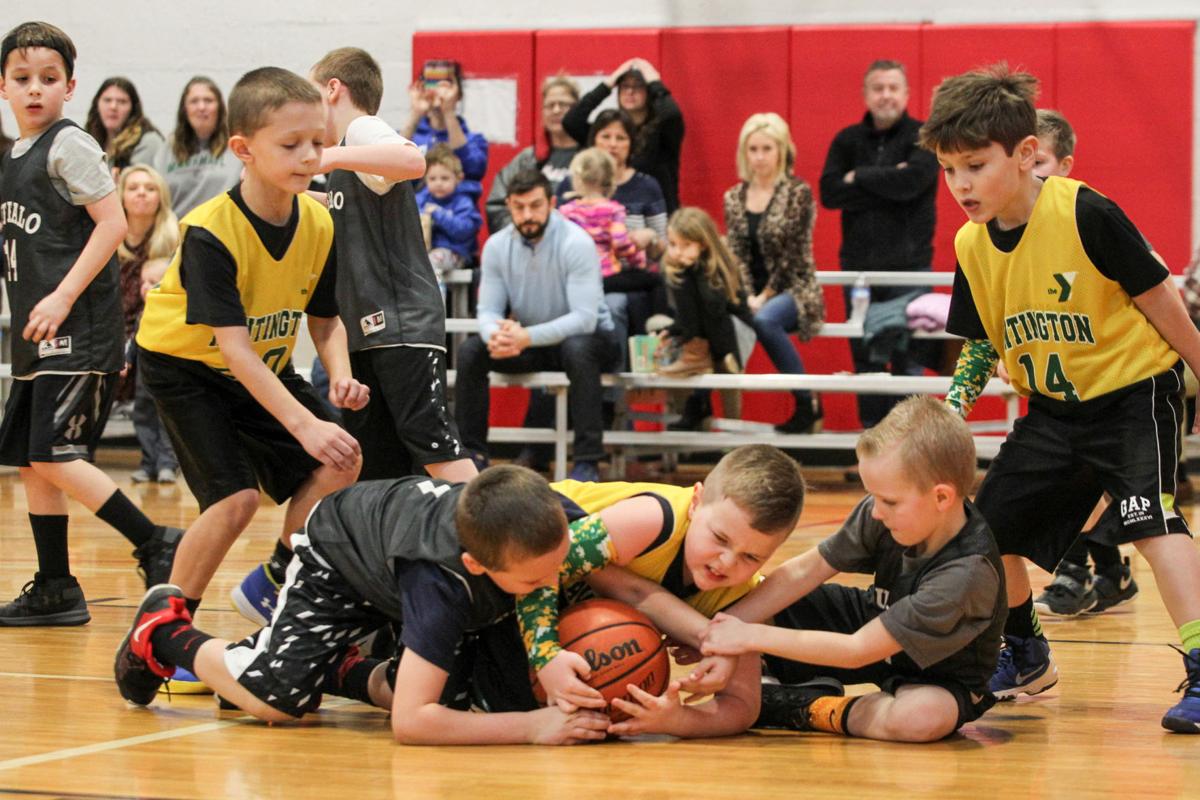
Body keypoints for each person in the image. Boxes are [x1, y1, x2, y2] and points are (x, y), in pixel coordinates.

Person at [926, 64, 1200, 732]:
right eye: (948, 169)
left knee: (1151, 524)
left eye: (975, 165)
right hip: (1053, 411)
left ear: (1025, 155)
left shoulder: (1087, 212)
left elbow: (1161, 301)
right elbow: (983, 341)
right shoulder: (970, 242)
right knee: (987, 534)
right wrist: (947, 409)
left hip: (1135, 398)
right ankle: (1024, 652)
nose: (961, 184)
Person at [114, 466, 610, 746]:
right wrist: (534, 728)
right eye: (535, 579)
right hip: (342, 557)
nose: (552, 584)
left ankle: (339, 667)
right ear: (475, 565)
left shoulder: (544, 517)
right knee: (278, 700)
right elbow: (413, 724)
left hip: (399, 557)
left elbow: (623, 581)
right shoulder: (439, 582)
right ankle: (163, 631)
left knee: (476, 706)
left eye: (559, 564)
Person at [135, 67, 368, 631]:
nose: (310, 156)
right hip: (186, 366)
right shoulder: (210, 232)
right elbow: (233, 350)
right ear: (243, 149)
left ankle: (274, 584)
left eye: (318, 141)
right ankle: (164, 627)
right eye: (291, 145)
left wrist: (338, 371)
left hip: (259, 365)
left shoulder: (318, 219)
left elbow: (326, 317)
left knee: (344, 459)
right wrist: (304, 425)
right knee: (235, 500)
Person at [0, 21, 182, 625]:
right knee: (32, 460)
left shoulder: (68, 144)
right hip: (38, 329)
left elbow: (111, 224)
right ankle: (56, 586)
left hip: (78, 324)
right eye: (22, 79)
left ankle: (155, 540)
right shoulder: (14, 158)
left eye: (48, 79)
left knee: (53, 453)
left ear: (69, 86)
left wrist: (61, 296)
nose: (35, 90)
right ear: (3, 86)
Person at [700, 397, 1005, 742]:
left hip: (935, 676)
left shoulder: (965, 575)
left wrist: (747, 636)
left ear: (941, 498)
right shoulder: (889, 509)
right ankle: (769, 685)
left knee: (920, 718)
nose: (875, 511)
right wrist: (718, 630)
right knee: (761, 596)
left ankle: (807, 706)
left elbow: (857, 650)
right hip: (877, 618)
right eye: (872, 495)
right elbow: (807, 570)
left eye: (887, 501)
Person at [514, 445, 807, 736]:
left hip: (549, 606)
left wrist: (679, 720)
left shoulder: (741, 596)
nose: (727, 562)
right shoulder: (651, 519)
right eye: (720, 538)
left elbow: (743, 707)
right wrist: (546, 656)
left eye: (752, 558)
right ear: (696, 501)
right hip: (515, 532)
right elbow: (538, 569)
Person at [1028, 110, 1139, 618]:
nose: (1029, 172)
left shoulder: (1092, 219)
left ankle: (1079, 573)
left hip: (1118, 388)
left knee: (1091, 493)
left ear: (1066, 165)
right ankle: (1108, 574)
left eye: (1041, 162)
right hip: (1057, 387)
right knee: (1065, 485)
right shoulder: (1011, 231)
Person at [454, 169, 619, 483]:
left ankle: (587, 460)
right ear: (509, 207)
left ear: (552, 203)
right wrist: (497, 337)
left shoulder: (576, 241)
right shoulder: (497, 246)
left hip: (590, 338)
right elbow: (487, 310)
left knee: (578, 348)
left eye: (535, 205)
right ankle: (472, 455)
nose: (527, 215)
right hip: (529, 340)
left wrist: (525, 336)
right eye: (519, 207)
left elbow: (584, 318)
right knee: (472, 350)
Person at [819, 60, 939, 428]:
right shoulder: (846, 140)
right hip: (860, 275)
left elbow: (912, 184)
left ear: (906, 94)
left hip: (910, 271)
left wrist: (860, 178)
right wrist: (890, 181)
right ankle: (873, 453)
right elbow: (830, 191)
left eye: (892, 87)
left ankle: (912, 452)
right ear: (865, 94)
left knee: (909, 362)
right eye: (878, 87)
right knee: (867, 364)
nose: (885, 95)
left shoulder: (924, 138)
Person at [724, 112, 825, 434]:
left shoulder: (797, 193)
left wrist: (763, 297)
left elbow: (792, 256)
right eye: (753, 149)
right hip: (748, 291)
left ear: (782, 151)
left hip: (795, 288)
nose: (759, 157)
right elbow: (737, 253)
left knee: (765, 319)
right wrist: (747, 295)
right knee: (713, 314)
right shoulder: (734, 197)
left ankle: (806, 401)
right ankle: (698, 402)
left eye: (767, 149)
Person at [657, 207, 754, 429]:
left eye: (686, 245)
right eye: (673, 245)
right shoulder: (677, 268)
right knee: (663, 327)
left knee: (711, 320)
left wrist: (698, 269)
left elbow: (714, 308)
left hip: (733, 333)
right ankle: (697, 400)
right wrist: (675, 329)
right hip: (706, 333)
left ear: (703, 244)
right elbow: (686, 314)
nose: (678, 252)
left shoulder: (716, 266)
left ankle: (697, 384)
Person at [116, 165, 180, 484]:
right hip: (121, 333)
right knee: (142, 402)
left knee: (160, 396)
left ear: (161, 197)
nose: (142, 193)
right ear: (122, 196)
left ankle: (167, 461)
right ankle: (146, 459)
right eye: (134, 187)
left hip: (164, 333)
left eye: (150, 187)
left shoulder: (174, 238)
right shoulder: (108, 236)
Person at [562, 58, 683, 212]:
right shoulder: (606, 135)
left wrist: (654, 82)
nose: (630, 92)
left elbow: (671, 115)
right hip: (606, 217)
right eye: (624, 86)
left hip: (656, 216)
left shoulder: (661, 134)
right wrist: (608, 84)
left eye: (638, 86)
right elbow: (571, 121)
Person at [560, 147, 645, 351]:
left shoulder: (565, 211)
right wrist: (638, 259)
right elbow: (621, 242)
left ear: (578, 178)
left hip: (572, 277)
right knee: (654, 281)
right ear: (611, 180)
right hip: (606, 275)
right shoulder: (613, 209)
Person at [486, 74, 581, 233]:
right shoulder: (527, 158)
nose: (556, 110)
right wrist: (527, 232)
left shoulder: (591, 158)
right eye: (550, 105)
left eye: (563, 104)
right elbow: (497, 206)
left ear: (578, 109)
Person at [153, 76, 242, 218]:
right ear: (185, 109)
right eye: (194, 101)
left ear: (219, 106)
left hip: (220, 230)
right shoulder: (169, 148)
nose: (201, 107)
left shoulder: (235, 145)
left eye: (208, 100)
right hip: (177, 232)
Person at [400, 59, 488, 182]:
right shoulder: (410, 136)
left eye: (444, 84)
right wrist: (416, 113)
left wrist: (448, 112)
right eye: (431, 82)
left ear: (458, 93)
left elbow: (473, 170)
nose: (436, 90)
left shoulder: (475, 141)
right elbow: (390, 165)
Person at [415, 143, 482, 276]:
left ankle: (435, 297)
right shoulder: (420, 200)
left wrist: (439, 215)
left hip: (455, 252)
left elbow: (464, 231)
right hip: (425, 252)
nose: (438, 183)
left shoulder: (463, 202)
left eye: (444, 178)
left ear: (458, 178)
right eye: (432, 179)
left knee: (432, 263)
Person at [83, 77, 165, 175]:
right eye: (107, 100)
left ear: (133, 109)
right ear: (97, 104)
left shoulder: (148, 142)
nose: (113, 107)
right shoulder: (90, 141)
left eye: (122, 102)